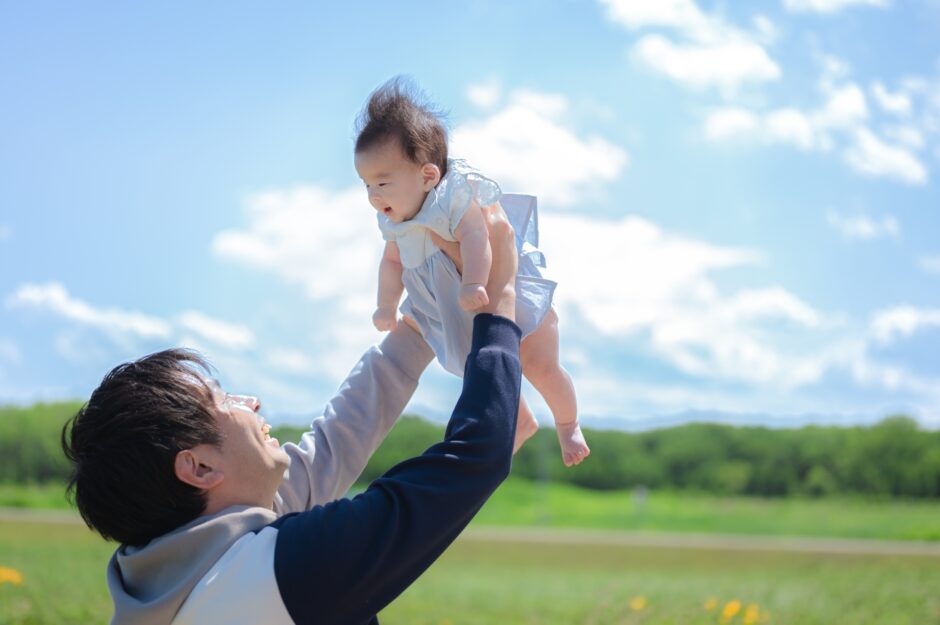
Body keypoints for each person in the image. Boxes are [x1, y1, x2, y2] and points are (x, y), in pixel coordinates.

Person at [61, 205, 523, 625]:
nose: (252, 402)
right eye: (224, 401)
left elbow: (335, 444)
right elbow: (475, 458)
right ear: (198, 467)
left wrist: (423, 316)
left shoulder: (186, 570)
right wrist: (499, 302)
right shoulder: (283, 576)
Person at [355, 77, 589, 467]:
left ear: (428, 176)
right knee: (481, 372)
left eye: (382, 183)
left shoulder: (453, 198)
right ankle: (521, 421)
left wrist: (475, 281)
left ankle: (568, 424)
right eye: (366, 186)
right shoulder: (392, 221)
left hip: (499, 295)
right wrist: (385, 306)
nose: (374, 197)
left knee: (541, 366)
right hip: (456, 315)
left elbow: (480, 237)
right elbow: (391, 262)